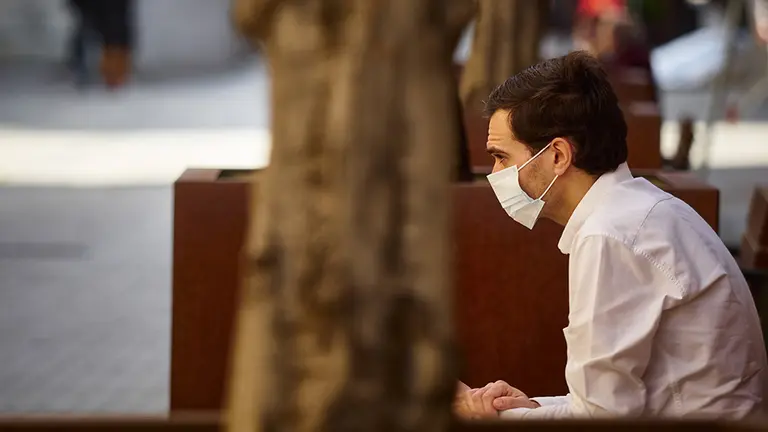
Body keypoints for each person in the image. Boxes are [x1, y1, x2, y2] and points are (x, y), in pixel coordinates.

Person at [453, 51, 767, 420]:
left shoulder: (610, 234)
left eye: (502, 157)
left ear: (557, 156)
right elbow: (608, 405)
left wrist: (482, 414)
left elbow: (602, 418)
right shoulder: (633, 212)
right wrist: (526, 407)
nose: (494, 173)